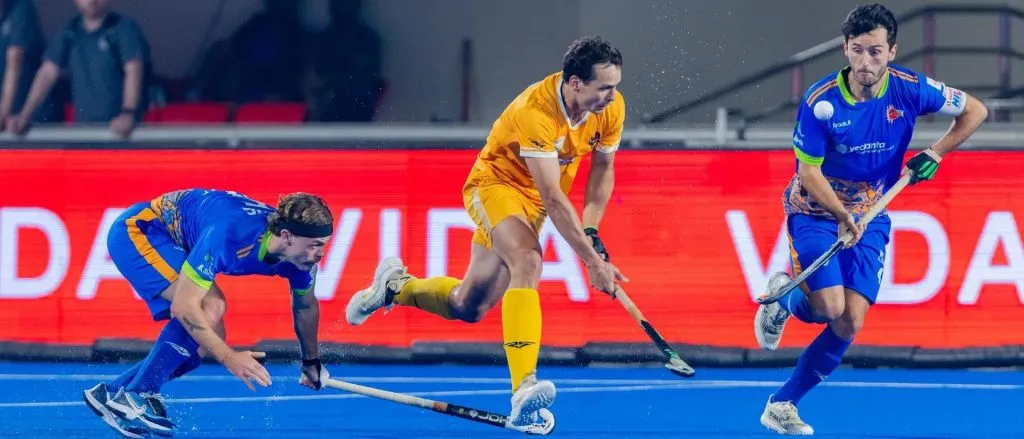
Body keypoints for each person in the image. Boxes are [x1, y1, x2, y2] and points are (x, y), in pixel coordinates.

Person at [345, 36, 628, 434]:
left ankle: (396, 287)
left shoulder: (610, 108)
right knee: (528, 260)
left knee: (469, 306)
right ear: (575, 83)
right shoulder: (536, 112)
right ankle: (523, 388)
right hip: (495, 186)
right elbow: (554, 197)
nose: (612, 96)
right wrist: (592, 262)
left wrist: (592, 228)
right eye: (604, 87)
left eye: (615, 86)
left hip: (533, 203)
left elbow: (602, 170)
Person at [753, 3, 988, 435]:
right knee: (828, 308)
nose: (866, 62)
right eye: (858, 50)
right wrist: (842, 214)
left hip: (872, 212)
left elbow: (975, 110)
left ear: (891, 52)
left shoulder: (910, 89)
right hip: (815, 211)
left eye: (876, 52)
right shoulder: (820, 102)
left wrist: (935, 152)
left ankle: (782, 404)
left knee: (850, 321)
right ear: (845, 48)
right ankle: (781, 299)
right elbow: (809, 173)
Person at [83, 189, 334, 438]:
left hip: (178, 241)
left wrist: (310, 363)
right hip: (141, 230)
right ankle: (137, 393)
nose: (321, 254)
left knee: (207, 341)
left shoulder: (300, 261)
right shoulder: (229, 235)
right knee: (210, 306)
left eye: (323, 244)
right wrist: (228, 357)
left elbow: (305, 307)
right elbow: (184, 306)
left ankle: (112, 393)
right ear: (287, 236)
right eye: (315, 245)